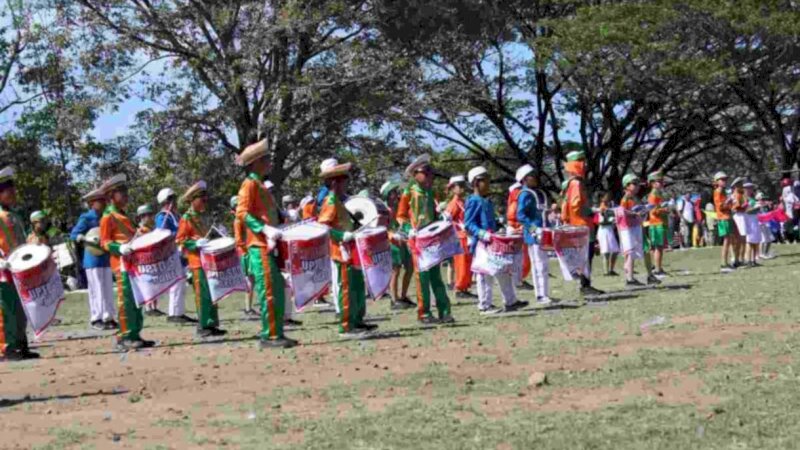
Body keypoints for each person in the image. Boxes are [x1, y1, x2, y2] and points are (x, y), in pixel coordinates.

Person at [235, 139, 297, 348]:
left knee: (277, 287)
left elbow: (267, 214)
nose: (269, 161)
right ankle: (270, 335)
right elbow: (242, 212)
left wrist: (282, 218)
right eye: (265, 159)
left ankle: (276, 331)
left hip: (269, 244)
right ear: (255, 163)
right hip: (258, 245)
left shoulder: (260, 185)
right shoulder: (249, 184)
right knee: (269, 288)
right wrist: (263, 229)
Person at [317, 160, 379, 336]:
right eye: (344, 180)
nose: (347, 183)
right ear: (335, 182)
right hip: (340, 250)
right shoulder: (330, 201)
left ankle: (358, 320)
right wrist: (340, 236)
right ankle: (346, 325)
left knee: (358, 286)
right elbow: (324, 226)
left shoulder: (341, 200)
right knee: (346, 288)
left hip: (352, 248)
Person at [99, 174, 155, 350]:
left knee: (136, 300)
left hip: (132, 263)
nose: (125, 195)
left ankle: (135, 333)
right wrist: (119, 248)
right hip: (121, 264)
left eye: (125, 191)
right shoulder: (108, 216)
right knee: (127, 301)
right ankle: (125, 336)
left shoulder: (122, 215)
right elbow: (105, 242)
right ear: (110, 196)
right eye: (120, 192)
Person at [397, 154, 454, 324]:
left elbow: (434, 213)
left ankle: (445, 311)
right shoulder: (409, 192)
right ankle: (424, 313)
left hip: (432, 238)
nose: (430, 176)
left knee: (436, 276)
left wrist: (442, 216)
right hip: (418, 240)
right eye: (426, 172)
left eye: (431, 172)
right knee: (422, 278)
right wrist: (409, 230)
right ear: (416, 174)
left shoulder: (431, 192)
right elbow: (400, 216)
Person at [464, 166, 528, 314]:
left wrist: (501, 228)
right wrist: (481, 233)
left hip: (493, 242)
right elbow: (468, 224)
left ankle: (510, 301)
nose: (488, 183)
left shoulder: (486, 201)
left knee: (502, 270)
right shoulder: (473, 201)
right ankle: (484, 305)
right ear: (476, 183)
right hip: (482, 244)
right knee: (484, 274)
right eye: (485, 180)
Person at [176, 181, 227, 338]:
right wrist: (195, 243)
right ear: (194, 200)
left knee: (212, 293)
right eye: (202, 199)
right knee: (203, 294)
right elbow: (180, 240)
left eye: (206, 199)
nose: (205, 202)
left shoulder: (202, 217)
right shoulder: (187, 218)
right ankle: (203, 325)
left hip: (208, 260)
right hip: (197, 262)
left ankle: (212, 324)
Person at [0, 167, 39, 361]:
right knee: (6, 309)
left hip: (18, 268)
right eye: (9, 191)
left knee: (21, 309)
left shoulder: (13, 215)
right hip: (3, 269)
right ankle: (7, 347)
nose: (13, 194)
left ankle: (21, 345)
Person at [71, 187, 117, 331]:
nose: (103, 203)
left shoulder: (107, 217)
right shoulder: (86, 217)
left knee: (108, 288)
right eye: (100, 201)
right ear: (92, 203)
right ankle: (96, 318)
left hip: (105, 256)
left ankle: (109, 317)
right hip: (92, 258)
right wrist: (87, 239)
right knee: (96, 289)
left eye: (104, 200)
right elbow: (74, 234)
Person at [560, 151, 603, 295]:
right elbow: (575, 205)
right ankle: (585, 286)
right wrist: (592, 211)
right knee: (586, 257)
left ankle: (586, 285)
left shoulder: (570, 183)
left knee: (585, 256)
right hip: (582, 224)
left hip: (579, 224)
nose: (583, 164)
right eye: (580, 160)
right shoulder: (576, 183)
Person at [154, 188, 195, 324]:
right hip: (171, 252)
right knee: (176, 283)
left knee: (181, 283)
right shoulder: (162, 216)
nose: (174, 202)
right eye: (171, 199)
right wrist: (174, 234)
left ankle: (179, 312)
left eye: (174, 199)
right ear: (165, 201)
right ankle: (174, 313)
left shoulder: (176, 216)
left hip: (180, 252)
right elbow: (162, 233)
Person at [515, 164, 552, 304]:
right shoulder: (524, 194)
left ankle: (545, 293)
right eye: (531, 175)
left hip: (544, 232)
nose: (535, 178)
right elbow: (520, 216)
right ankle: (540, 295)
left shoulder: (539, 193)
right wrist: (533, 230)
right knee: (538, 264)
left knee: (544, 264)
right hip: (534, 235)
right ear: (524, 179)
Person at [381, 179, 416, 310]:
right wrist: (392, 234)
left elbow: (403, 222)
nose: (396, 194)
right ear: (387, 194)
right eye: (393, 192)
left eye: (396, 191)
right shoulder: (384, 209)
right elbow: (382, 227)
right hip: (391, 243)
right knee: (395, 270)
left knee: (410, 267)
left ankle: (403, 296)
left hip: (402, 240)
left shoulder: (397, 207)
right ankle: (394, 299)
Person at [443, 175, 476, 300]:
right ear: (453, 188)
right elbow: (447, 221)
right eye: (459, 186)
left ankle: (465, 287)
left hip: (466, 236)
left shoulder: (462, 201)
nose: (462, 188)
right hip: (460, 237)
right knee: (461, 263)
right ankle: (460, 288)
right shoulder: (454, 203)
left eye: (463, 185)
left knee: (468, 263)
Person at [231, 196, 258, 319]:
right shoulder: (238, 220)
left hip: (248, 251)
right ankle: (248, 308)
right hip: (245, 253)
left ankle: (250, 307)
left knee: (253, 280)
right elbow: (239, 240)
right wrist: (248, 248)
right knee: (250, 280)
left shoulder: (244, 218)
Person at [506, 180, 533, 290]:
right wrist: (520, 227)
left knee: (522, 257)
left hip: (519, 231)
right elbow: (513, 219)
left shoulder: (517, 202)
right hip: (516, 232)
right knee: (518, 258)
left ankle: (520, 279)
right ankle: (517, 281)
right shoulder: (514, 204)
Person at [647, 171, 670, 276]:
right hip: (656, 224)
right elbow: (653, 211)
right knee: (658, 247)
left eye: (661, 181)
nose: (661, 183)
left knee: (660, 247)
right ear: (652, 183)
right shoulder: (653, 195)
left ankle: (658, 267)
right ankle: (657, 270)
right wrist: (664, 209)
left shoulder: (658, 194)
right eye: (658, 181)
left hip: (661, 223)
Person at [713, 172, 735, 272]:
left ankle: (726, 262)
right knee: (726, 241)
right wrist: (728, 201)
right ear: (717, 181)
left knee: (729, 240)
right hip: (723, 218)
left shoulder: (724, 191)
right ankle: (723, 263)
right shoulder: (717, 192)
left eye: (725, 179)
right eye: (722, 180)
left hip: (727, 216)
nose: (724, 181)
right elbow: (720, 206)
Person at [596, 192, 619, 276]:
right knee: (606, 252)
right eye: (606, 196)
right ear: (601, 198)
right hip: (604, 230)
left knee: (615, 250)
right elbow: (601, 221)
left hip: (610, 230)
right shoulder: (602, 208)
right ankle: (606, 271)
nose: (608, 198)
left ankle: (611, 270)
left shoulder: (610, 207)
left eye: (608, 196)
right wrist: (611, 219)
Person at [742, 182, 762, 267]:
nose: (750, 190)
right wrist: (755, 207)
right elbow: (746, 210)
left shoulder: (753, 198)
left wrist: (758, 207)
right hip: (748, 220)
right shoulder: (744, 198)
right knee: (750, 241)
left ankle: (754, 260)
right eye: (748, 188)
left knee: (755, 241)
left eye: (751, 188)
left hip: (755, 219)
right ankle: (748, 260)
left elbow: (756, 210)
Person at [730, 177, 748, 267]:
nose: (742, 185)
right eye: (740, 184)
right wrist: (743, 205)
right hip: (739, 215)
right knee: (740, 238)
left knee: (742, 238)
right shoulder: (737, 194)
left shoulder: (741, 193)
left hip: (742, 215)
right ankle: (737, 258)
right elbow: (735, 207)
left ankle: (740, 258)